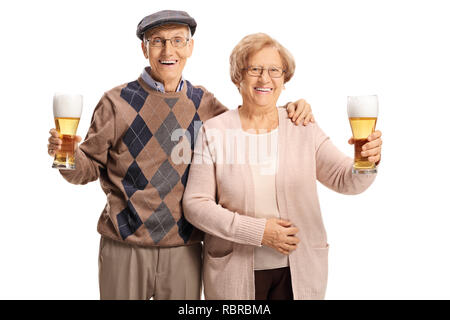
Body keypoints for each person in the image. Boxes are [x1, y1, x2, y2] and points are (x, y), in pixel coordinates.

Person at [46, 11, 315, 300]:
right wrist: (69, 155)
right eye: (158, 41)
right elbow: (85, 170)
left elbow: (250, 124)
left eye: (178, 40)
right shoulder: (115, 102)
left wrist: (289, 109)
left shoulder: (205, 103)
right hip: (124, 247)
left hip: (185, 249)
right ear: (144, 48)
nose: (168, 50)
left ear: (190, 47)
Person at [182, 33, 382, 300]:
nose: (265, 79)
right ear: (237, 76)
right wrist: (259, 232)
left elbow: (346, 180)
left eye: (275, 70)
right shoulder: (214, 130)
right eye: (255, 69)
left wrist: (365, 160)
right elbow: (196, 205)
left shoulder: (301, 125)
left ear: (285, 79)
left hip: (299, 270)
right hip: (234, 271)